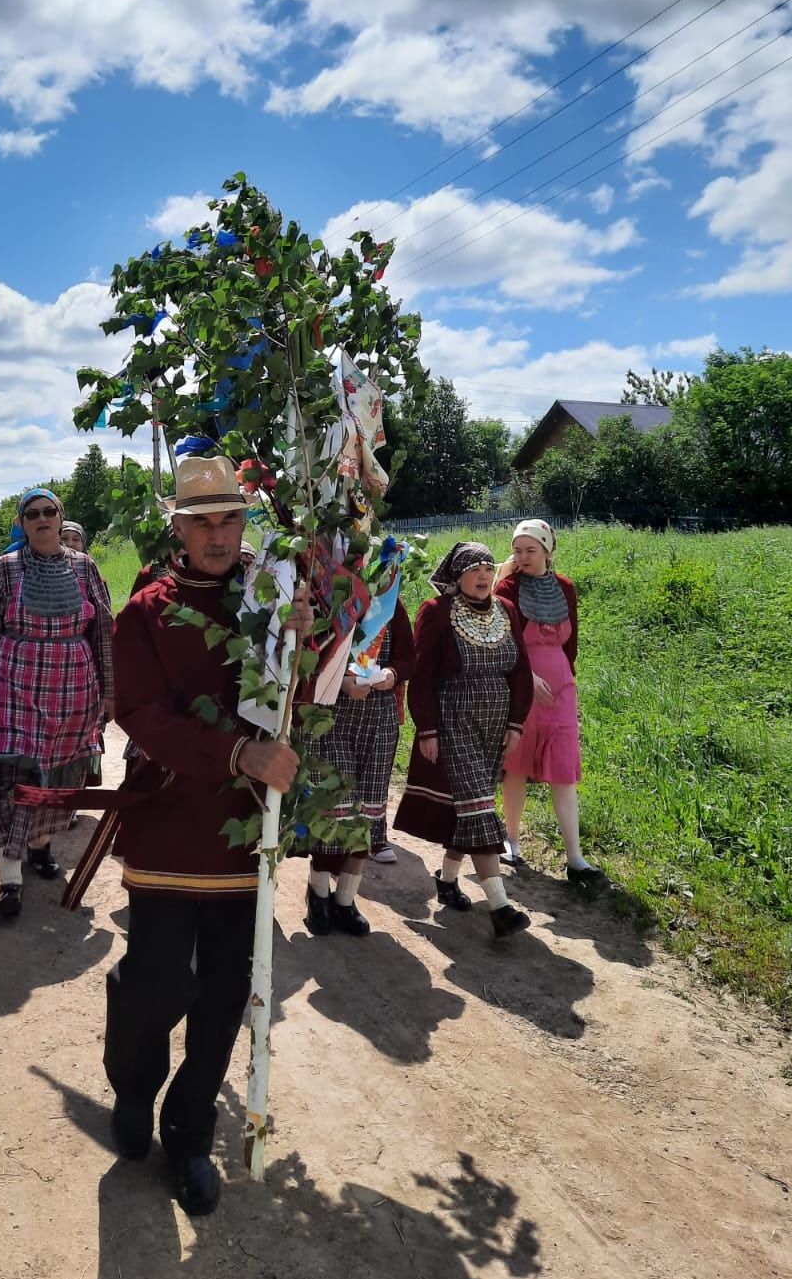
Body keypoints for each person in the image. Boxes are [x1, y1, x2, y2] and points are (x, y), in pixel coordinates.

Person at [104, 455, 310, 1216]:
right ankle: (132, 1082)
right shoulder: (147, 610)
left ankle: (190, 1135)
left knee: (227, 990)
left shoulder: (277, 595)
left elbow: (308, 691)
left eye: (231, 518)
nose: (219, 535)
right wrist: (231, 751)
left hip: (244, 828)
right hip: (167, 818)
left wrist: (305, 642)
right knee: (158, 977)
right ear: (178, 528)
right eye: (202, 521)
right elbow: (142, 714)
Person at [0, 488, 114, 917]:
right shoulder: (5, 568)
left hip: (72, 691)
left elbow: (102, 633)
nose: (41, 519)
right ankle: (9, 876)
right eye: (32, 514)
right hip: (12, 683)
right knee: (12, 772)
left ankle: (40, 846)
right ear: (22, 524)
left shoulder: (85, 567)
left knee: (56, 778)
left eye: (49, 512)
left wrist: (111, 691)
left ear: (61, 518)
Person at [394, 542, 532, 939]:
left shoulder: (507, 612)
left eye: (488, 568)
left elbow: (521, 670)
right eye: (474, 569)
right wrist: (428, 729)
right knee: (478, 807)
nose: (484, 575)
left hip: (495, 725)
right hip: (455, 720)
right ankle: (501, 907)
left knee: (470, 807)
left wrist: (516, 723)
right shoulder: (436, 613)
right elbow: (420, 674)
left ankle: (448, 878)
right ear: (457, 576)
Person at [495, 519, 604, 888]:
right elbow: (503, 641)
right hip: (522, 687)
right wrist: (524, 678)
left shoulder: (566, 588)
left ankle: (574, 857)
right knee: (516, 765)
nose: (523, 557)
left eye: (531, 550)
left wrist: (566, 681)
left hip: (560, 688)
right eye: (517, 550)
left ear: (547, 550)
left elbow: (570, 644)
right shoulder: (506, 587)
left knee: (563, 768)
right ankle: (511, 842)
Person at [304, 598, 415, 936]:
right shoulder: (328, 601)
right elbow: (308, 657)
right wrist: (341, 684)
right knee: (334, 803)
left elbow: (408, 657)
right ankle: (318, 892)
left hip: (378, 715)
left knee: (367, 810)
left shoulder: (392, 606)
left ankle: (346, 899)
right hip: (331, 715)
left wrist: (392, 674)